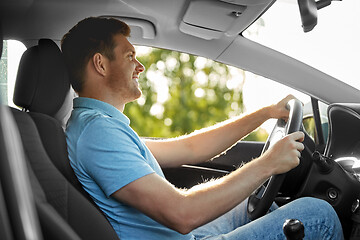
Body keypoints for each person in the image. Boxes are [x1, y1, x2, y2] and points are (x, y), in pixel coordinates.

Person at [62, 17, 343, 240]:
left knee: (254, 202)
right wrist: (267, 165)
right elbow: (182, 214)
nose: (140, 66)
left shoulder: (102, 126)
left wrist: (266, 113)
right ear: (100, 64)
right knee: (317, 213)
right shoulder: (98, 134)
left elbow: (191, 148)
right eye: (129, 56)